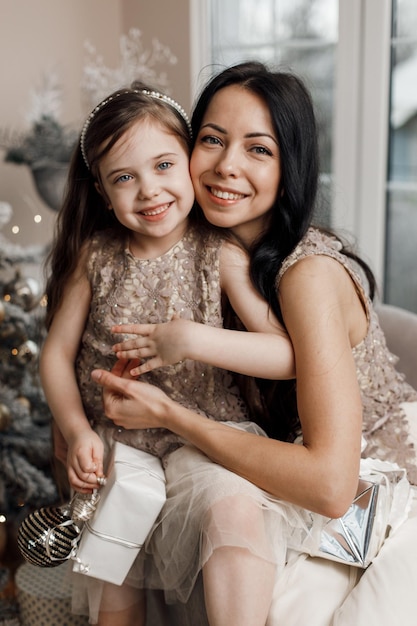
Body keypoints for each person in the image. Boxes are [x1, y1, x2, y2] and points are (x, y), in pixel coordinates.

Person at [91, 61, 417, 626]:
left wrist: (170, 415)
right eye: (212, 140)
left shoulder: (308, 274)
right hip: (307, 488)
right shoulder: (195, 254)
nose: (227, 166)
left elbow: (331, 485)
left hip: (381, 492)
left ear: (292, 167)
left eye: (259, 149)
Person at [39, 80, 298, 626]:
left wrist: (193, 340)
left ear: (188, 163)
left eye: (163, 166)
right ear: (104, 193)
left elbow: (286, 353)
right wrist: (77, 431)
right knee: (116, 559)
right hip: (117, 443)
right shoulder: (97, 256)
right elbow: (56, 356)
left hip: (199, 437)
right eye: (125, 178)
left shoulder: (217, 252)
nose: (149, 191)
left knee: (233, 508)